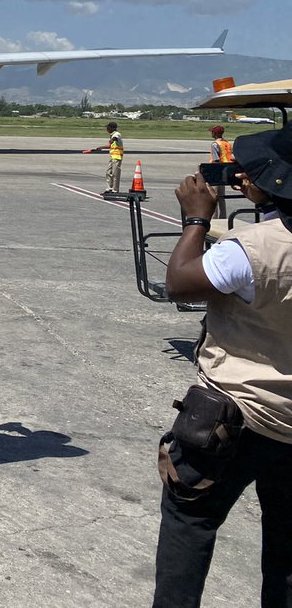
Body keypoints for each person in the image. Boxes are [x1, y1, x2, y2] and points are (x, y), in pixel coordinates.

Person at [152, 124, 292, 607]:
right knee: (286, 550)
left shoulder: (251, 248)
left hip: (236, 417)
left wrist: (196, 219)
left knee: (190, 523)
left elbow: (179, 284)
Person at [85, 121, 125, 193]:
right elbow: (109, 146)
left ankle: (115, 190)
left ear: (112, 128)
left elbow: (116, 138)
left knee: (115, 174)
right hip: (112, 157)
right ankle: (109, 188)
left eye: (108, 127)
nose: (107, 129)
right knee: (108, 172)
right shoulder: (112, 135)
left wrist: (112, 139)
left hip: (117, 157)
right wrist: (99, 148)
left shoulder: (116, 134)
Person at [207, 125, 234, 219]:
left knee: (214, 196)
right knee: (221, 197)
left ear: (214, 133)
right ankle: (223, 217)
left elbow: (216, 160)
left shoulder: (215, 144)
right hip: (226, 170)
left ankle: (214, 218)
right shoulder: (226, 143)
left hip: (217, 171)